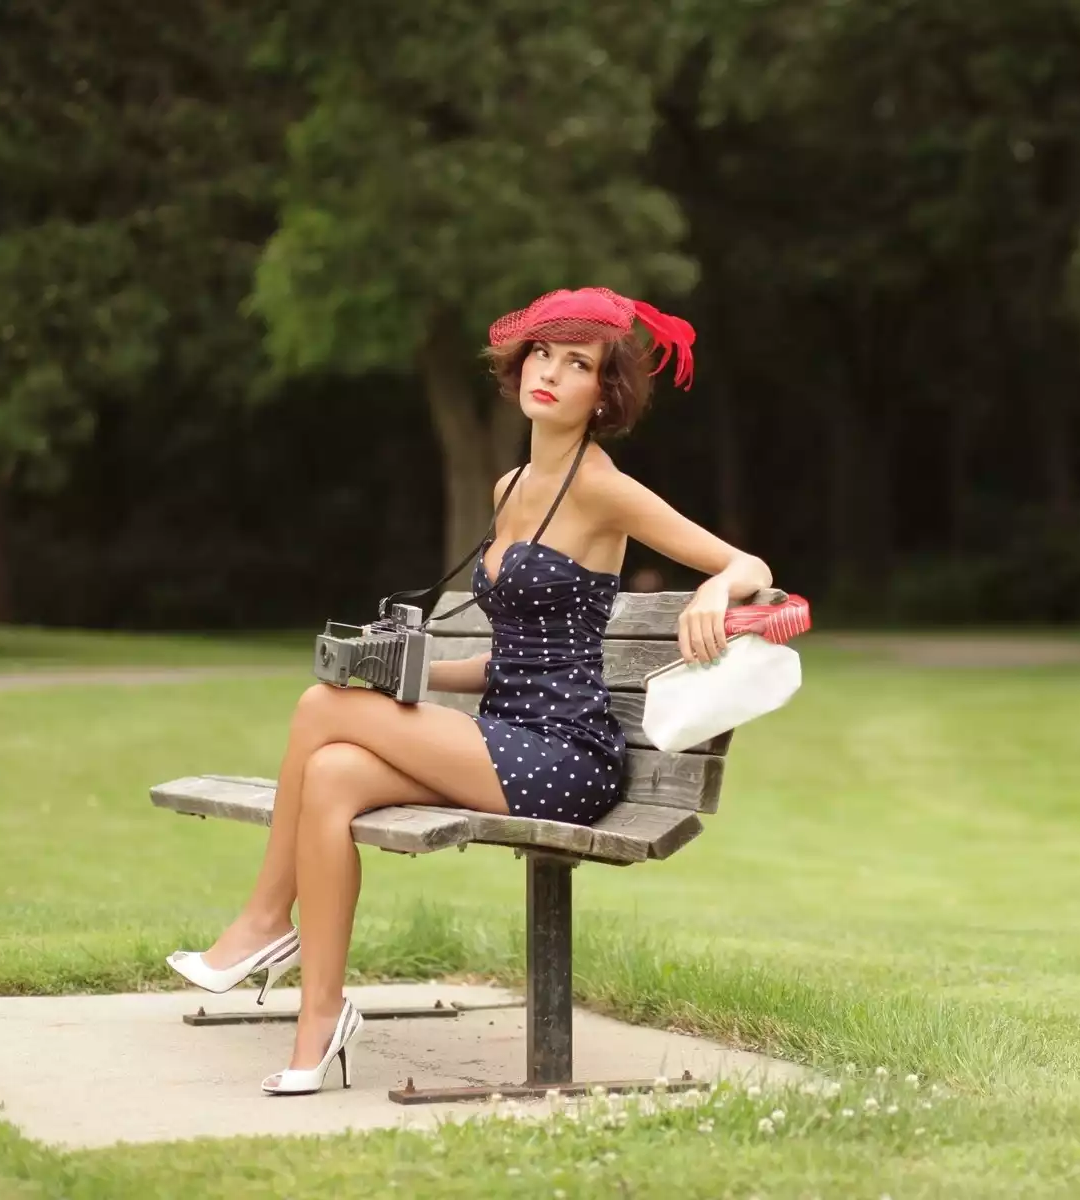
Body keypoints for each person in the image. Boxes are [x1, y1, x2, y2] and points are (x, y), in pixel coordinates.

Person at [163, 288, 774, 1095]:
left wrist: (710, 593)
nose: (550, 373)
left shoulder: (602, 488)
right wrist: (407, 672)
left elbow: (750, 569)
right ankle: (320, 1020)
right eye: (543, 354)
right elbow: (515, 660)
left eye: (579, 363)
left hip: (567, 758)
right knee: (332, 773)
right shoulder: (510, 486)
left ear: (604, 394)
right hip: (506, 731)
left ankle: (264, 923)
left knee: (321, 712)